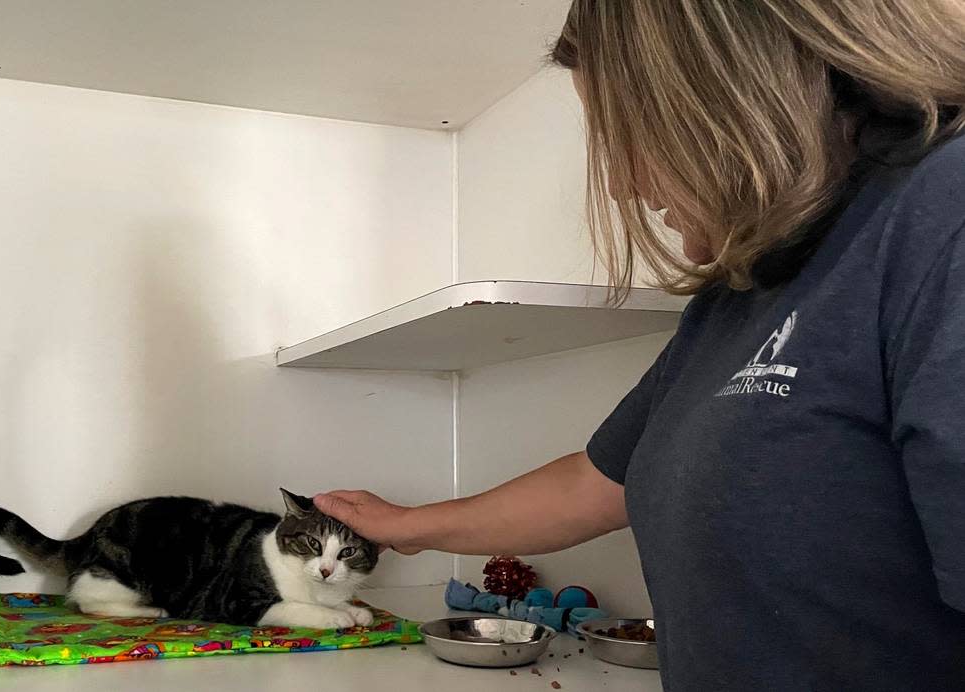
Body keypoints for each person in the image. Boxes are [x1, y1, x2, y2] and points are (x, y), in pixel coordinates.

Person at [315, 1, 965, 690]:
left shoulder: (942, 213)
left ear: (728, 91)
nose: (623, 184)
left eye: (631, 133)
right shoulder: (741, 295)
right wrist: (406, 526)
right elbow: (594, 484)